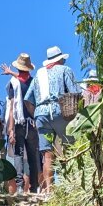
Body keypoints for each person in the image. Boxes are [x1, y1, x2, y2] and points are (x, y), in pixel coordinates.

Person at [25, 46, 80, 195]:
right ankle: (71, 185)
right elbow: (75, 93)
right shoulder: (64, 70)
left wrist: (35, 115)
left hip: (41, 116)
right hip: (61, 112)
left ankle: (49, 190)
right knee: (69, 149)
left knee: (47, 154)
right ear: (60, 59)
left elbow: (28, 100)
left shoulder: (38, 75)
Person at [0, 52, 40, 194]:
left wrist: (10, 130)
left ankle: (20, 186)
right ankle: (34, 187)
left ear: (18, 68)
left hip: (18, 123)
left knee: (18, 154)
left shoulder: (13, 83)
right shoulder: (34, 82)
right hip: (32, 123)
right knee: (33, 155)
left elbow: (11, 107)